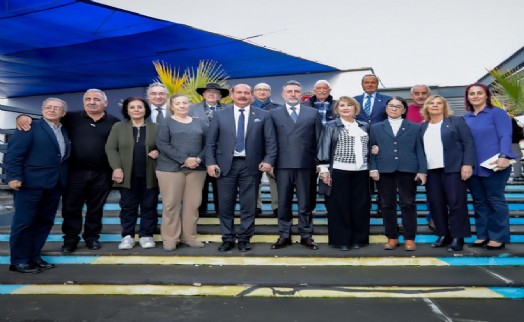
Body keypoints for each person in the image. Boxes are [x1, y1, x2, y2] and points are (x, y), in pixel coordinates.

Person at [16, 89, 119, 253]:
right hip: (74, 172)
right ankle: (70, 240)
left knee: (96, 208)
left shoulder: (115, 122)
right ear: (84, 102)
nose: (92, 102)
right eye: (88, 99)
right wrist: (22, 117)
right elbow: (47, 120)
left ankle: (92, 238)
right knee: (71, 208)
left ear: (105, 103)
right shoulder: (70, 117)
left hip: (102, 173)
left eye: (96, 99)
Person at [206, 84, 277, 252]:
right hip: (224, 166)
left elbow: (271, 141)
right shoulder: (219, 114)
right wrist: (210, 162)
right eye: (239, 92)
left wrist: (269, 160)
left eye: (246, 93)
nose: (243, 95)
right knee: (225, 204)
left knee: (249, 204)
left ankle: (245, 238)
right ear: (232, 94)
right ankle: (227, 238)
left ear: (252, 96)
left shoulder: (264, 115)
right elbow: (210, 142)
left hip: (251, 165)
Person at [6, 98, 70, 273]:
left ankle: (33, 257)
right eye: (48, 107)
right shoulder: (29, 127)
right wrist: (13, 176)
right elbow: (14, 155)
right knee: (24, 222)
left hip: (54, 185)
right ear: (41, 110)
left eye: (57, 108)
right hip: (29, 183)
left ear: (63, 113)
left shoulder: (63, 129)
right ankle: (18, 261)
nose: (52, 110)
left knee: (44, 223)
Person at [270, 80, 323, 250]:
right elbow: (269, 140)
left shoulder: (312, 113)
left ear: (301, 94)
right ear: (283, 94)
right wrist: (269, 162)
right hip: (282, 164)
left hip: (306, 164)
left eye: (296, 91)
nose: (293, 94)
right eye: (289, 91)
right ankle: (284, 235)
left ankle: (306, 235)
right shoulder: (273, 113)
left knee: (305, 202)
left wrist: (320, 162)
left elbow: (319, 139)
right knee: (283, 202)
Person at [369, 96, 427, 251]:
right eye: (391, 106)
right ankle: (392, 237)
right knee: (387, 205)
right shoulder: (376, 127)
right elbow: (371, 150)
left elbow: (420, 150)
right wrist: (373, 168)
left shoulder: (415, 127)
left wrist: (422, 170)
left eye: (398, 106)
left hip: (407, 169)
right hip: (384, 170)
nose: (394, 109)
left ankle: (409, 238)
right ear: (386, 108)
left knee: (408, 204)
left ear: (404, 109)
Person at [464, 83, 515, 250]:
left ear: (487, 95)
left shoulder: (497, 113)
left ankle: (498, 237)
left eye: (480, 93)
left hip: (495, 165)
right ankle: (483, 235)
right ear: (468, 97)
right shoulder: (466, 118)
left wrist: (504, 155)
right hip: (473, 166)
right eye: (472, 93)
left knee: (495, 200)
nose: (476, 96)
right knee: (479, 201)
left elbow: (505, 135)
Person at [420, 95, 475, 251]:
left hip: (453, 169)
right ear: (426, 107)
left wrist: (467, 164)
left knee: (456, 203)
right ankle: (443, 234)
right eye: (432, 103)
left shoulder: (456, 121)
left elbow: (468, 143)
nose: (435, 105)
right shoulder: (423, 126)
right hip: (431, 171)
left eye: (439, 103)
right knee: (436, 204)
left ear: (444, 106)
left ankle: (458, 237)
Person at [316, 96, 370, 251]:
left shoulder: (364, 126)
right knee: (339, 207)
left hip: (361, 172)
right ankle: (342, 240)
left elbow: (371, 145)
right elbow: (324, 147)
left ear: (355, 108)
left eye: (349, 105)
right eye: (342, 105)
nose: (346, 108)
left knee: (360, 207)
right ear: (337, 109)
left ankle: (359, 239)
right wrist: (324, 170)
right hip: (339, 171)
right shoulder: (331, 126)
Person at [105, 97, 159, 250]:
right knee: (128, 206)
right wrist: (116, 167)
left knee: (149, 206)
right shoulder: (118, 127)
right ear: (127, 110)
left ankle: (146, 235)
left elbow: (163, 145)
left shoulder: (156, 127)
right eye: (132, 107)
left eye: (139, 107)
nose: (136, 109)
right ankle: (127, 236)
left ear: (145, 110)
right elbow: (110, 148)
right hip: (126, 175)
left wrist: (158, 151)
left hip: (150, 174)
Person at [156, 94, 209, 251]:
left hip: (197, 170)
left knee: (192, 205)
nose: (182, 105)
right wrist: (185, 159)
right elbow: (162, 144)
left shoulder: (200, 123)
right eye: (177, 103)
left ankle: (189, 237)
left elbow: (209, 144)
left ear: (189, 104)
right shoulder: (166, 122)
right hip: (170, 169)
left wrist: (198, 159)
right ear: (172, 106)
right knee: (171, 204)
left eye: (184, 102)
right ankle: (170, 238)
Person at [189, 82, 230, 216]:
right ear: (203, 94)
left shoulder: (229, 109)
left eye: (215, 92)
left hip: (222, 152)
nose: (212, 94)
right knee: (200, 184)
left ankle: (221, 212)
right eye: (208, 92)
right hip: (198, 152)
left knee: (221, 184)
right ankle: (201, 212)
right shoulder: (191, 109)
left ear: (220, 96)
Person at [406, 84, 435, 231]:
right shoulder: (406, 110)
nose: (420, 96)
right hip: (411, 157)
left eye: (424, 93)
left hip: (433, 157)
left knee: (434, 191)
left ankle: (434, 219)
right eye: (417, 93)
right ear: (412, 96)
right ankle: (407, 221)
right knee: (408, 193)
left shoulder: (436, 109)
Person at [252, 82, 281, 216]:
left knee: (274, 177)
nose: (262, 92)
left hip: (272, 147)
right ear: (254, 92)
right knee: (253, 178)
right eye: (259, 90)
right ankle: (255, 206)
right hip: (253, 147)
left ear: (269, 93)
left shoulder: (278, 108)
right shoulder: (248, 107)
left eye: (265, 90)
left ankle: (277, 206)